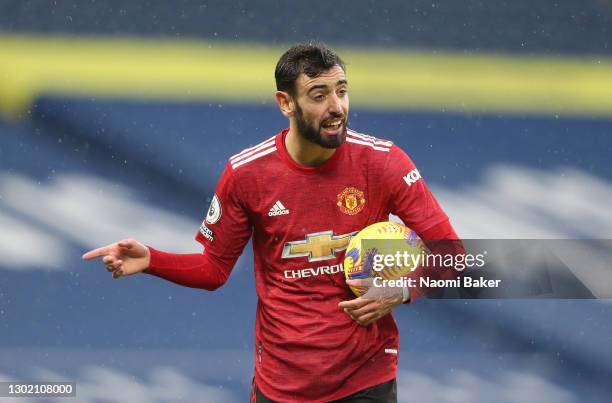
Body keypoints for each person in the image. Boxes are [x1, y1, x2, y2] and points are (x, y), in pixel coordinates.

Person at [83, 43, 461, 403]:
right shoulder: (247, 174)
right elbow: (214, 269)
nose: (336, 107)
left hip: (366, 378)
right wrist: (152, 259)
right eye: (318, 95)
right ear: (286, 103)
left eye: (341, 91)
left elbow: (453, 255)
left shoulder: (383, 162)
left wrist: (403, 290)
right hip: (282, 384)